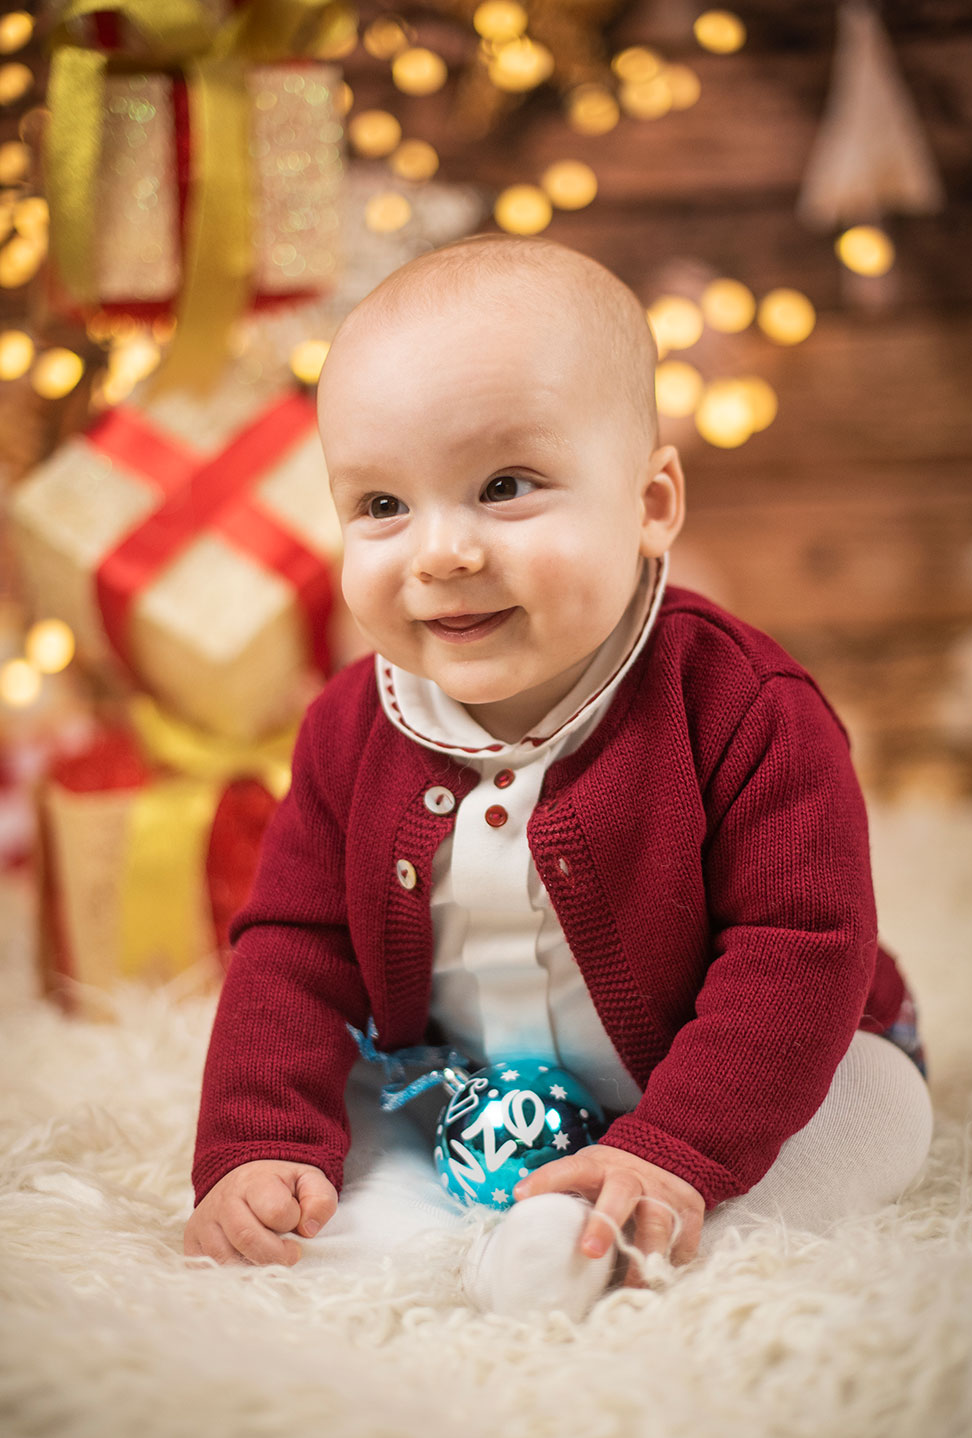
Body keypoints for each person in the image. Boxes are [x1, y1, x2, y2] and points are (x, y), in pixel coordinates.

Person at [185, 235, 933, 1320]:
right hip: (459, 1082)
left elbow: (800, 946)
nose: (439, 551)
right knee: (327, 1127)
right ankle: (418, 1232)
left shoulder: (744, 708)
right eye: (381, 505)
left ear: (650, 503)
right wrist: (256, 1140)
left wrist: (676, 1145)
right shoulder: (352, 725)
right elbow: (295, 949)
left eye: (503, 486)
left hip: (708, 1072)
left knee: (874, 1104)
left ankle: (629, 1223)